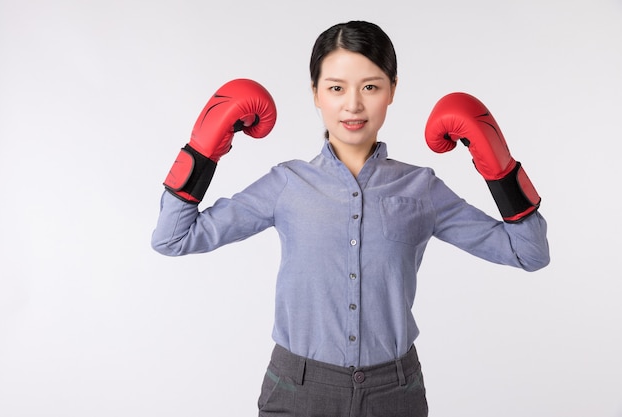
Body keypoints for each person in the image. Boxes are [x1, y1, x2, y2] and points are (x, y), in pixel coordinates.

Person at [152, 20, 550, 417]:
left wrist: (499, 167)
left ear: (392, 89)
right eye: (336, 87)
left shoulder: (421, 187)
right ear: (316, 94)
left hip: (395, 393)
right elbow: (173, 238)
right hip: (297, 389)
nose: (353, 104)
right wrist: (203, 150)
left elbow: (529, 253)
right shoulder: (286, 184)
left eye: (371, 87)